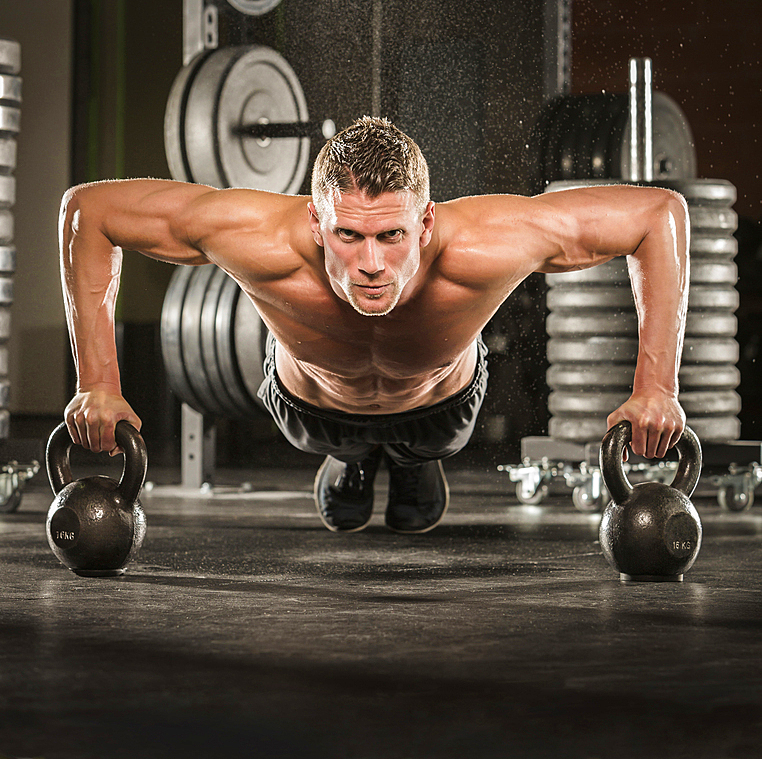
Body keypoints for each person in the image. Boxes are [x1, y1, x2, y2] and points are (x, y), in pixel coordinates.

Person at [59, 116, 689, 533]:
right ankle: (353, 458)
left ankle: (411, 461)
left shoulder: (492, 242)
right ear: (315, 222)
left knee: (425, 448)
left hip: (441, 407)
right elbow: (90, 211)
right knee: (335, 444)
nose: (369, 264)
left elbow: (659, 217)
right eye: (347, 235)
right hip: (312, 407)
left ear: (426, 223)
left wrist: (656, 387)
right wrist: (99, 382)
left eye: (391, 235)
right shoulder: (256, 238)